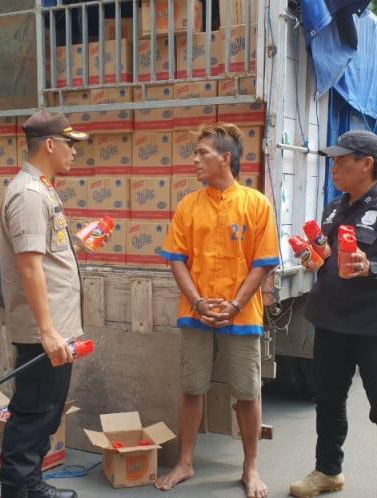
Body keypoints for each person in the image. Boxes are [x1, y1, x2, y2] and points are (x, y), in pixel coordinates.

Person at [289, 130, 377, 498]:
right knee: (329, 401)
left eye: (342, 160)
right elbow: (326, 259)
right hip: (331, 321)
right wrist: (312, 258)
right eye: (333, 160)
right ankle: (328, 472)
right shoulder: (334, 208)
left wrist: (373, 268)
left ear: (367, 163)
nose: (334, 167)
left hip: (373, 327)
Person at [157, 122, 280, 498]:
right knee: (192, 387)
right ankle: (186, 462)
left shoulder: (256, 204)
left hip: (241, 314)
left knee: (246, 391)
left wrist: (236, 304)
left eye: (202, 154)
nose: (195, 160)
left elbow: (263, 263)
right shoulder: (188, 205)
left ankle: (250, 467)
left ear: (225, 158)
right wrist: (197, 301)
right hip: (195, 313)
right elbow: (177, 259)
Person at [0, 110, 88, 498]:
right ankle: (20, 489)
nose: (75, 153)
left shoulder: (44, 189)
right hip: (44, 331)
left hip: (56, 326)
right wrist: (48, 331)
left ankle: (29, 484)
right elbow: (30, 267)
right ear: (50, 144)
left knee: (47, 412)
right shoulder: (29, 194)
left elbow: (44, 255)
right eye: (71, 145)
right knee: (34, 413)